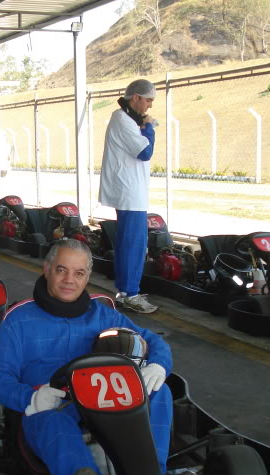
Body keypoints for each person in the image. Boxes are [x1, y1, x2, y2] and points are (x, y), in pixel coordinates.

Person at [0, 239, 173, 475]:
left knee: (161, 391)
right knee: (53, 422)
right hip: (50, 407)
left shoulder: (103, 315)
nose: (69, 280)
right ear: (47, 269)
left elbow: (154, 342)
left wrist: (158, 364)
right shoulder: (18, 322)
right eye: (61, 270)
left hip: (105, 401)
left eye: (79, 273)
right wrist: (30, 398)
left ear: (87, 277)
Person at [98, 79, 159, 314]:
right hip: (129, 193)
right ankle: (130, 294)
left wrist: (143, 127)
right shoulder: (122, 119)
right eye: (148, 100)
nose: (149, 107)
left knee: (129, 243)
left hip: (132, 192)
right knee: (134, 244)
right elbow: (145, 152)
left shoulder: (126, 119)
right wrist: (149, 128)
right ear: (135, 98)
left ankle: (126, 291)